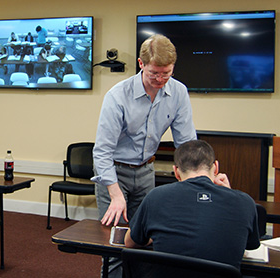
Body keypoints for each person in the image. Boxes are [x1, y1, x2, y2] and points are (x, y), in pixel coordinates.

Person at [91, 34, 196, 277]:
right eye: (154, 73)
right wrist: (115, 194)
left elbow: (187, 144)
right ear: (141, 64)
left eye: (166, 73)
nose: (160, 80)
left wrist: (199, 179)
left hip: (146, 171)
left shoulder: (178, 92)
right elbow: (102, 151)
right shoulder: (117, 96)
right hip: (114, 174)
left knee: (146, 242)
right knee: (115, 245)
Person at [124, 140, 260, 275]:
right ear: (216, 168)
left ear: (176, 172)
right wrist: (230, 194)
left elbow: (130, 242)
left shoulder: (156, 197)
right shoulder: (245, 202)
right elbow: (249, 245)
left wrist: (154, 236)